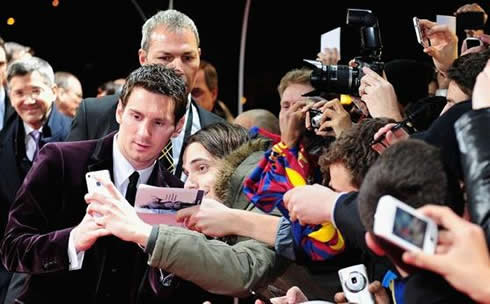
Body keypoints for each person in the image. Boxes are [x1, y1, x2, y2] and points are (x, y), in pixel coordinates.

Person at [0, 64, 187, 304]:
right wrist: (72, 241)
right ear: (120, 111)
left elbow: (170, 287)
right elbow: (12, 248)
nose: (143, 133)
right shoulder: (60, 160)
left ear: (177, 127)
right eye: (136, 116)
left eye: (158, 123)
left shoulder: (173, 195)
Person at [86, 122, 282, 301]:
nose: (189, 184)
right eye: (187, 173)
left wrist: (147, 234)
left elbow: (244, 272)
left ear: (231, 165)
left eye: (202, 168)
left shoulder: (266, 189)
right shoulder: (212, 218)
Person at [67, 9, 224, 179]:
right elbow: (65, 183)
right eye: (165, 58)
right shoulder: (93, 115)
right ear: (143, 59)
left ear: (199, 57)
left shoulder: (221, 133)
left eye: (188, 58)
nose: (178, 68)